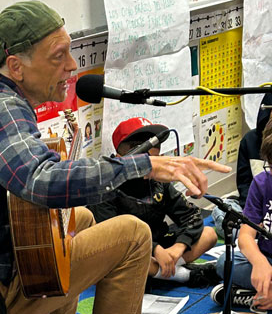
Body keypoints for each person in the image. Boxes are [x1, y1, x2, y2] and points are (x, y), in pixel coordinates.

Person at [0, 1, 231, 314]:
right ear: (16, 66)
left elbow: (33, 183)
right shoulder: (1, 110)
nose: (72, 65)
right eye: (59, 55)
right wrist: (144, 165)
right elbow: (41, 181)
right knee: (134, 236)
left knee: (80, 219)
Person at [88, 117, 220, 289]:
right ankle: (183, 275)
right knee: (123, 259)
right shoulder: (105, 184)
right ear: (121, 156)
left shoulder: (158, 180)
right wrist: (155, 249)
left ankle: (159, 273)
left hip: (161, 247)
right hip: (129, 251)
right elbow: (112, 238)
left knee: (209, 234)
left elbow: (191, 216)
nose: (153, 156)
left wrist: (177, 248)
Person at [211, 116, 272, 313]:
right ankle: (263, 292)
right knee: (224, 263)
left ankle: (255, 294)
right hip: (268, 259)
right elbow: (245, 236)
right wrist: (259, 261)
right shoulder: (263, 182)